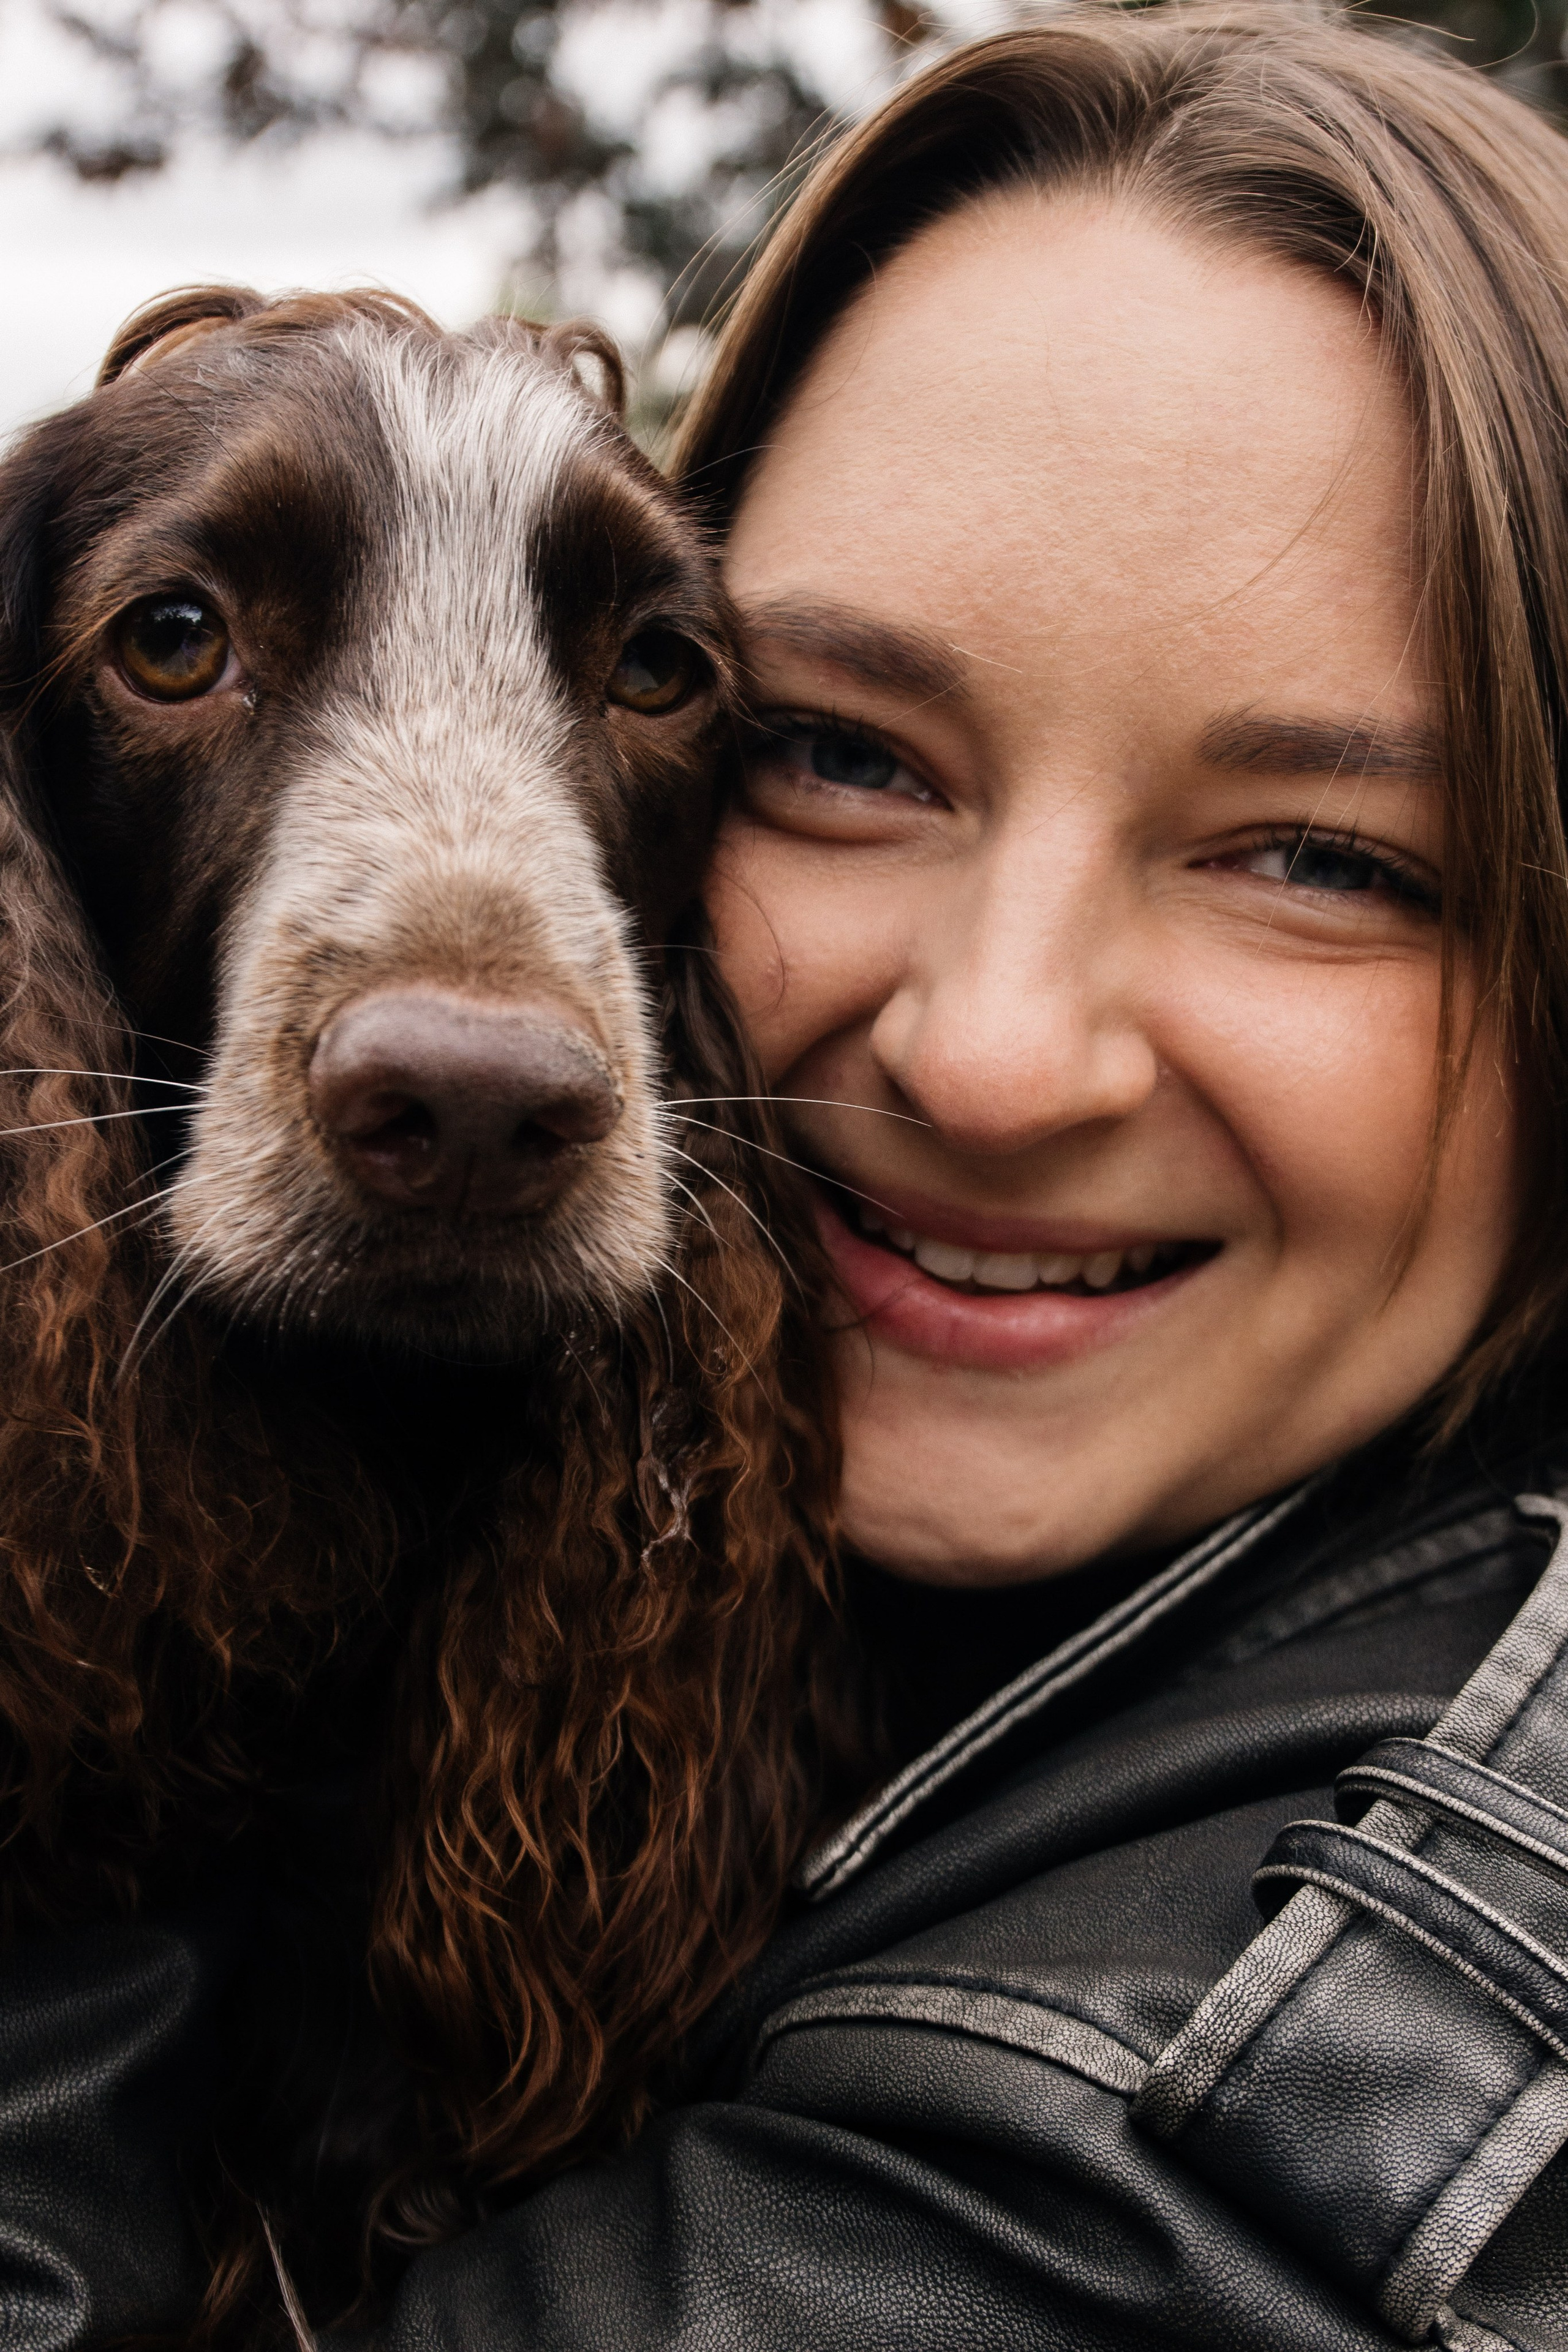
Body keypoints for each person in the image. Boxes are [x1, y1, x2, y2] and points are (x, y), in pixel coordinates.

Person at [7, 4, 1568, 2346]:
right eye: (840, 751)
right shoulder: (678, 1571)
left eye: (1323, 856)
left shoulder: (1307, 2087)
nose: (996, 1058)